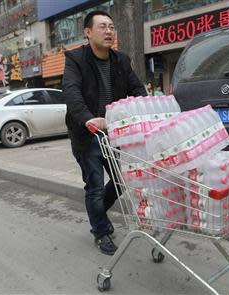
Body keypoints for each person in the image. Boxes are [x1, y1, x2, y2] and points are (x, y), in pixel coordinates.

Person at [62, 10, 147, 255]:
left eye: (111, 27)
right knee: (96, 186)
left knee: (122, 180)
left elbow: (137, 88)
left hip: (115, 134)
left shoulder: (121, 60)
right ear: (88, 32)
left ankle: (98, 212)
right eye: (102, 27)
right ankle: (101, 231)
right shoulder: (76, 59)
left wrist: (149, 109)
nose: (109, 31)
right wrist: (88, 119)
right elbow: (72, 93)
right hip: (87, 134)